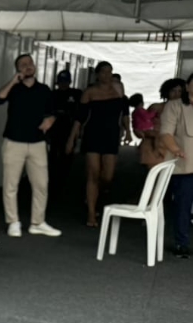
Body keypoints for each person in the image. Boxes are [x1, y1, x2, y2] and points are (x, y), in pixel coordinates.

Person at [0, 54, 62, 237]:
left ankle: (38, 222)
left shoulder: (44, 89)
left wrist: (50, 120)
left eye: (30, 63)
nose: (28, 67)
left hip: (37, 142)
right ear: (18, 69)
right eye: (23, 65)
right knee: (10, 184)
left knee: (41, 184)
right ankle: (13, 221)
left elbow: (53, 112)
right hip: (14, 142)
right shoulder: (14, 89)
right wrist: (13, 81)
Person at [67, 61, 132, 227]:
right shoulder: (90, 92)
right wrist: (72, 139)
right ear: (97, 74)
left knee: (107, 176)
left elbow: (125, 112)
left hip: (111, 135)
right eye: (103, 72)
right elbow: (79, 118)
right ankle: (91, 213)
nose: (107, 75)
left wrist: (128, 131)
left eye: (110, 72)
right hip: (93, 135)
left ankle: (96, 197)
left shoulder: (118, 89)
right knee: (93, 174)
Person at [158, 73, 193, 259]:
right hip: (184, 166)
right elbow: (166, 133)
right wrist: (175, 149)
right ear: (188, 86)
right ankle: (182, 243)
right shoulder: (174, 106)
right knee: (182, 207)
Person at [135, 79, 184, 168]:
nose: (177, 94)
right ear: (166, 91)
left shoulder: (186, 110)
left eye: (180, 91)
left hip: (175, 147)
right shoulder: (156, 107)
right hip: (153, 146)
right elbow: (143, 126)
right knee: (156, 176)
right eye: (173, 90)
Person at [48, 69, 82, 194]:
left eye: (66, 82)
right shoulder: (53, 95)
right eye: (61, 82)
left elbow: (79, 113)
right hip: (54, 130)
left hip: (69, 130)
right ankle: (53, 183)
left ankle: (62, 183)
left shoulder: (75, 94)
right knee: (53, 157)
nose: (63, 84)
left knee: (66, 158)